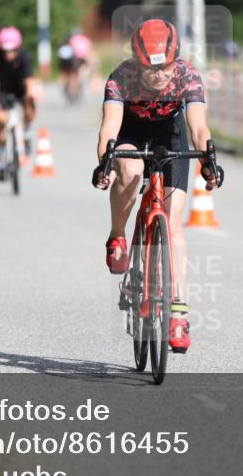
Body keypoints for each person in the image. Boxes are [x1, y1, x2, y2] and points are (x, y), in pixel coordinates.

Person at [92, 18, 223, 353]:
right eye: (151, 71)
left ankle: (178, 313)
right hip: (131, 135)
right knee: (132, 171)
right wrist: (105, 163)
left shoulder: (187, 76)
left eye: (165, 68)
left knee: (173, 223)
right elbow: (109, 130)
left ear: (175, 60)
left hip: (171, 137)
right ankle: (118, 235)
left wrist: (208, 160)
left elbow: (198, 128)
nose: (160, 76)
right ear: (137, 63)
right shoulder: (121, 78)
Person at [0, 26, 40, 180]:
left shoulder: (24, 56)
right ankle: (2, 162)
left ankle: (27, 133)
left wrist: (29, 98)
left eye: (12, 51)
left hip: (20, 88)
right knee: (0, 121)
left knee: (30, 109)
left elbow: (29, 82)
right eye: (5, 51)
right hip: (2, 90)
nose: (8, 54)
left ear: (18, 48)